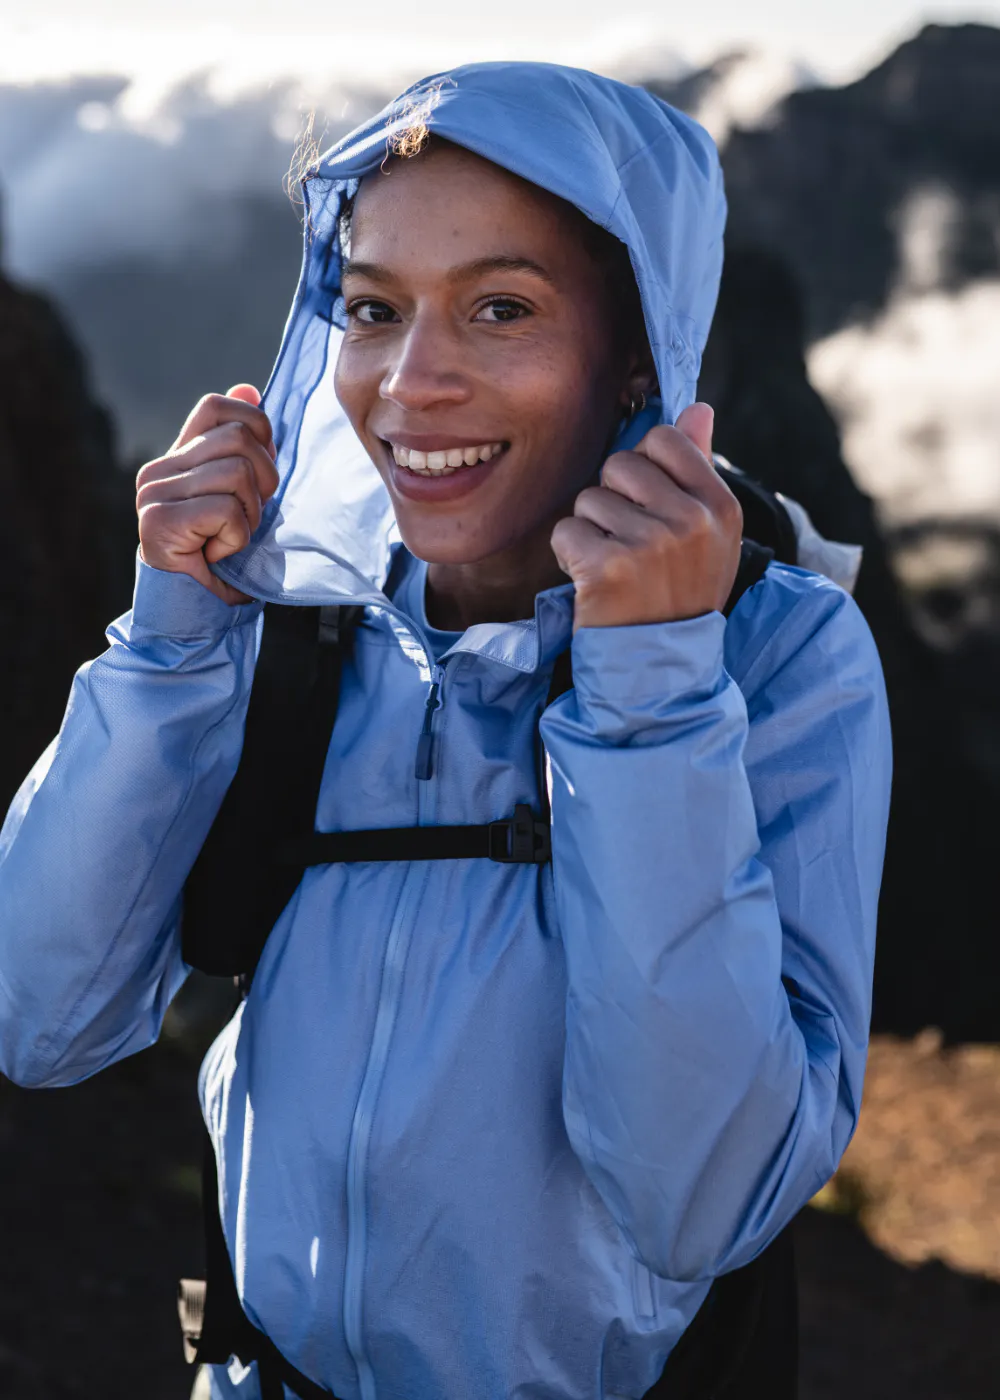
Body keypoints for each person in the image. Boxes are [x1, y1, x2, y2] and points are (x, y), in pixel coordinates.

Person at [0, 63, 891, 1400]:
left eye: (502, 307)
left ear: (641, 345)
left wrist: (650, 692)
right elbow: (38, 1015)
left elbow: (701, 1198)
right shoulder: (285, 626)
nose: (411, 384)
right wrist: (174, 639)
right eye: (371, 308)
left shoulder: (779, 661)